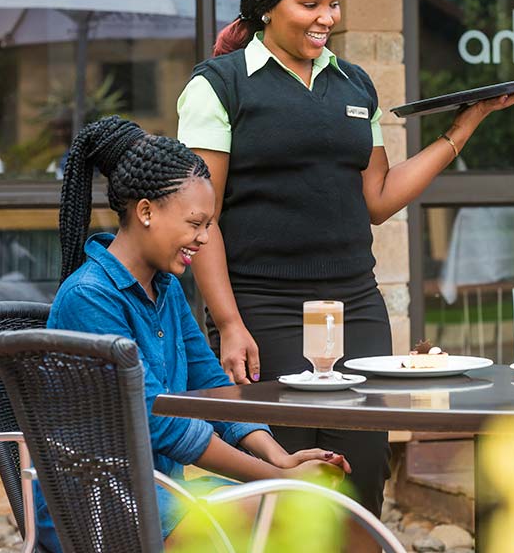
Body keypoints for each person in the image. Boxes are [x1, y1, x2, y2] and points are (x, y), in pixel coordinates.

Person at [176, 0, 514, 548]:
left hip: (355, 305)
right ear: (266, 6)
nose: (327, 18)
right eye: (310, 4)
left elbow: (379, 199)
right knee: (288, 481)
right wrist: (228, 322)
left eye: (334, 4)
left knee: (363, 474)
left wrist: (464, 126)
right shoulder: (218, 86)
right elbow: (199, 219)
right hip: (264, 307)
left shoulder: (354, 85)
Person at [40, 115, 349, 552]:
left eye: (209, 225)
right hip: (102, 505)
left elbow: (211, 384)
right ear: (146, 211)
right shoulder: (90, 298)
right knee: (291, 511)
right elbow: (158, 422)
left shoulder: (163, 288)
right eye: (195, 223)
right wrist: (277, 479)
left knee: (318, 512)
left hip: (159, 493)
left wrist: (277, 456)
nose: (204, 238)